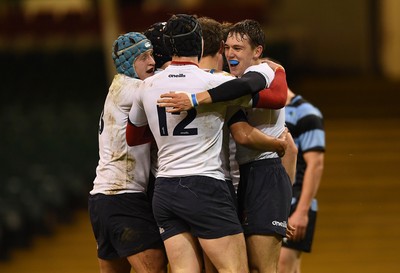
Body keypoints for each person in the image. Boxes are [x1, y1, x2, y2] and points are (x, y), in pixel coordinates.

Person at [127, 14, 252, 273]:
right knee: (235, 269)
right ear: (200, 45)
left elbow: (134, 135)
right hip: (205, 184)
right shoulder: (215, 82)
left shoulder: (147, 86)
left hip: (165, 188)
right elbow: (265, 97)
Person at [88, 32, 167, 273]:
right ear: (127, 63)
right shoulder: (130, 87)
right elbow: (167, 85)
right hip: (122, 196)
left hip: (102, 199)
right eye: (143, 57)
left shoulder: (120, 87)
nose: (152, 62)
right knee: (155, 268)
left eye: (152, 54)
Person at [223, 20, 293, 273]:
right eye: (227, 47)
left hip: (265, 174)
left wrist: (285, 202)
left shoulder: (263, 74)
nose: (230, 53)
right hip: (249, 176)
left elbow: (286, 146)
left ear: (257, 52)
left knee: (263, 267)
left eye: (238, 48)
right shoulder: (235, 79)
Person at [278, 87, 325, 273]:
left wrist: (302, 211)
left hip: (295, 201)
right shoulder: (265, 109)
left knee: (283, 265)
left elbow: (316, 164)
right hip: (274, 198)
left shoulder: (306, 113)